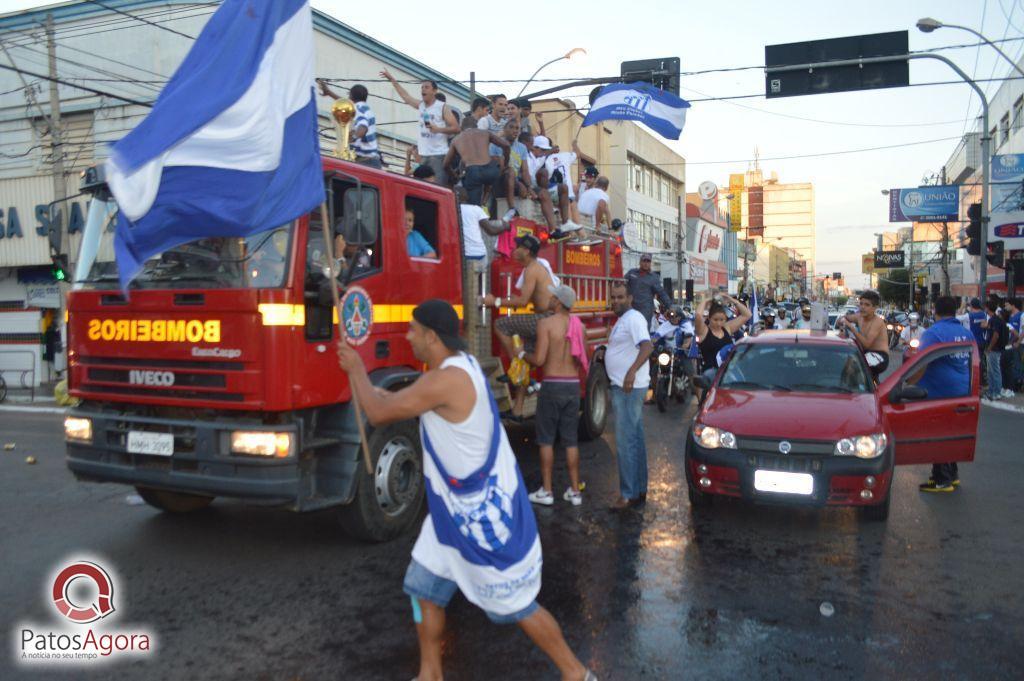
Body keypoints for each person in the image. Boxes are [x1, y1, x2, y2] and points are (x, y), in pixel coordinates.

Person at [335, 300, 595, 681]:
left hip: (479, 515)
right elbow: (396, 402)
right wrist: (374, 388)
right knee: (422, 588)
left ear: (431, 336)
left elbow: (377, 412)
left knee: (517, 605)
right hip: (450, 513)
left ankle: (576, 673)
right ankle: (430, 674)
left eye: (412, 330)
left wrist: (357, 369)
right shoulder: (458, 366)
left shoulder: (445, 381)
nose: (408, 336)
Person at [525, 284, 588, 507]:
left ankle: (548, 491)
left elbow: (539, 359)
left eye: (553, 297)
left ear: (559, 302)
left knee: (546, 441)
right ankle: (574, 491)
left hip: (551, 385)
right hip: (572, 386)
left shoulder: (546, 324)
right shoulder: (579, 326)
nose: (550, 299)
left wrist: (522, 354)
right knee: (571, 441)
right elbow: (583, 359)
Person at [908, 296, 974, 493]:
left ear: (935, 310)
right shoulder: (965, 332)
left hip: (940, 393)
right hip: (963, 390)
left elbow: (921, 362)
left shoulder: (934, 333)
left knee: (939, 435)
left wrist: (909, 382)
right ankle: (951, 475)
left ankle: (941, 480)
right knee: (951, 433)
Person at [606, 281, 654, 510]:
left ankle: (627, 494)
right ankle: (638, 489)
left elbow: (647, 346)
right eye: (613, 297)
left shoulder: (633, 318)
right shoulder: (623, 320)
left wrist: (631, 372)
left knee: (626, 443)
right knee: (635, 440)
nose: (616, 301)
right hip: (625, 386)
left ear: (630, 298)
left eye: (620, 297)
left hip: (628, 388)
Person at [380, 70, 459, 185]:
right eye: (422, 88)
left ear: (435, 91)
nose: (423, 90)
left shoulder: (442, 107)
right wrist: (392, 79)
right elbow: (405, 96)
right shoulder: (421, 105)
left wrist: (438, 129)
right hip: (422, 155)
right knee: (421, 187)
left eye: (426, 87)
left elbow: (456, 128)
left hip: (438, 155)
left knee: (437, 187)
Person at [317, 80, 381, 168]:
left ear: (351, 96)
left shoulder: (357, 109)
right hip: (374, 162)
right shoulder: (367, 110)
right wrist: (329, 93)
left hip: (365, 162)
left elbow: (363, 126)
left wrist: (354, 137)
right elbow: (345, 103)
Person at [693, 292, 751, 383]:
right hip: (710, 378)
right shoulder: (703, 331)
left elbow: (747, 315)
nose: (719, 323)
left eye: (722, 320)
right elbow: (698, 316)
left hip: (728, 377)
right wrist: (706, 301)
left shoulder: (727, 328)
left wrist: (731, 300)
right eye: (715, 320)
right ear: (709, 318)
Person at [444, 126, 509, 206]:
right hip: (491, 171)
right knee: (491, 169)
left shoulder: (456, 139)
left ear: (462, 129)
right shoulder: (485, 132)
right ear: (477, 127)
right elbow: (506, 146)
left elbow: (445, 165)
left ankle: (480, 205)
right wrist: (506, 164)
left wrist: (454, 176)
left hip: (473, 172)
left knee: (474, 206)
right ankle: (485, 197)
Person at [837, 290, 889, 378]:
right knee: (844, 365)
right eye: (861, 304)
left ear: (875, 308)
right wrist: (841, 321)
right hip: (865, 353)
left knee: (854, 367)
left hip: (879, 356)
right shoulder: (859, 317)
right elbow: (843, 318)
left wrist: (851, 328)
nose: (862, 307)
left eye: (867, 305)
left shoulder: (877, 322)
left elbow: (867, 344)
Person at [624, 254, 672, 327]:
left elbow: (662, 293)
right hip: (631, 308)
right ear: (640, 262)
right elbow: (622, 284)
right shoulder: (632, 273)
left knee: (643, 332)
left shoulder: (654, 278)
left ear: (650, 263)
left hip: (645, 311)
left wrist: (670, 307)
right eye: (644, 261)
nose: (646, 263)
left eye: (648, 261)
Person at [983, 298, 1008, 401]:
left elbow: (995, 335)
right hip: (994, 349)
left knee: (995, 371)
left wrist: (989, 348)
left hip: (994, 349)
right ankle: (991, 391)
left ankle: (996, 392)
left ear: (988, 308)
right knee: (991, 371)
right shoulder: (995, 319)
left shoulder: (994, 320)